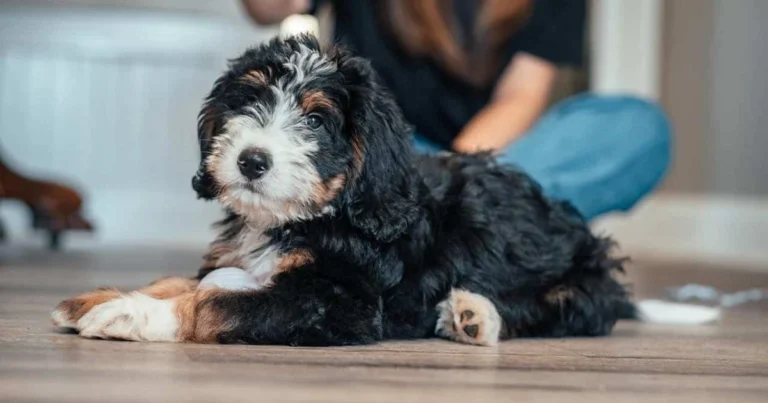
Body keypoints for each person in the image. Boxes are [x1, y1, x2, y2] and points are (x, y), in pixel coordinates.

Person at [241, 0, 671, 220]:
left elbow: (521, 95)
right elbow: (264, 8)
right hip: (386, 152)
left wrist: (454, 180)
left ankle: (454, 226)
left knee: (639, 129)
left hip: (495, 162)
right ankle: (494, 236)